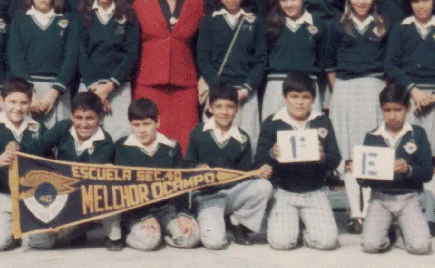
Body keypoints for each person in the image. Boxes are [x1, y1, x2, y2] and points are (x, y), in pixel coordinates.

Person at [384, 0, 435, 232]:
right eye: (416, 1)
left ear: (434, 1)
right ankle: (404, 211)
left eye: (425, 0)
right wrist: (413, 91)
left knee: (434, 156)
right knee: (407, 153)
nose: (421, 6)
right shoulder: (401, 28)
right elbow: (391, 64)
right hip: (410, 98)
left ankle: (429, 213)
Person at [323, 0, 388, 233]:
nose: (361, 1)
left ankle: (371, 211)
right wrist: (339, 92)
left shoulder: (382, 25)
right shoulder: (337, 26)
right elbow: (329, 64)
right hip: (345, 89)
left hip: (374, 89)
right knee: (350, 153)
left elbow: (388, 65)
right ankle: (355, 213)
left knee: (371, 152)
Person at [21, 92, 119, 250]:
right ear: (72, 116)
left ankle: (104, 232)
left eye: (90, 118)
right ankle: (80, 228)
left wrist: (62, 218)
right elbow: (37, 147)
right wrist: (17, 148)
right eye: (78, 117)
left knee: (107, 174)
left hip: (86, 197)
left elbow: (85, 181)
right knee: (39, 240)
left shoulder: (105, 143)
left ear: (100, 118)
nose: (84, 124)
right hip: (62, 192)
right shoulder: (63, 127)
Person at [256, 73, 341, 250]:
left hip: (314, 190)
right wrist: (272, 153)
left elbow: (335, 158)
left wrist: (322, 157)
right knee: (282, 243)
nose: (300, 102)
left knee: (327, 241)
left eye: (305, 97)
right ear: (284, 97)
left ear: (313, 99)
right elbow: (259, 160)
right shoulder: (272, 122)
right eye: (294, 96)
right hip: (284, 191)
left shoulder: (322, 121)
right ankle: (292, 227)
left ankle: (305, 230)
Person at [186, 84, 273, 249]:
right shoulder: (198, 133)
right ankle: (212, 219)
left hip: (232, 194)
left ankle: (239, 222)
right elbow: (188, 164)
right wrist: (198, 168)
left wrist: (259, 172)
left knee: (264, 186)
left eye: (230, 107)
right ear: (210, 108)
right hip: (207, 197)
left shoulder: (242, 138)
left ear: (238, 108)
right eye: (218, 107)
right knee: (215, 242)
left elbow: (245, 173)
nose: (224, 112)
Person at [132, 0, 204, 148]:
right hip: (149, 82)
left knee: (185, 142)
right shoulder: (140, 1)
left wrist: (203, 78)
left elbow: (202, 46)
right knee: (149, 142)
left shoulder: (197, 3)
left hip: (184, 85)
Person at [113, 98, 200, 251]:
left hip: (167, 207)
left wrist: (182, 213)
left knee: (190, 237)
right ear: (130, 124)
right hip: (135, 209)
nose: (141, 130)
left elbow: (181, 183)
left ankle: (164, 233)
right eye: (136, 125)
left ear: (157, 122)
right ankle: (128, 232)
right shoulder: (122, 146)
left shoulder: (171, 146)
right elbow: (123, 187)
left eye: (147, 124)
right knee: (148, 242)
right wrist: (144, 215)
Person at [359, 83, 434, 255]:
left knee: (421, 246)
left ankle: (402, 233)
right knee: (370, 245)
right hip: (380, 197)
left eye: (398, 110)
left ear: (408, 108)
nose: (392, 115)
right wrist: (360, 171)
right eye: (387, 110)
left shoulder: (417, 134)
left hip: (408, 197)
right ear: (381, 110)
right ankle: (389, 235)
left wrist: (408, 169)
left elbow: (427, 173)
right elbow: (363, 182)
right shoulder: (372, 136)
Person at [0, 78, 47, 252]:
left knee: (42, 242)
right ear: (1, 101)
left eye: (24, 103)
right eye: (12, 102)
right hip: (1, 193)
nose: (18, 108)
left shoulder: (38, 127)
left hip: (31, 194)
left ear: (30, 103)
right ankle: (13, 227)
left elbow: (48, 162)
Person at [197, 0, 265, 150]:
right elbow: (203, 58)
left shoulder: (254, 22)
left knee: (246, 141)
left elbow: (260, 61)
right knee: (215, 142)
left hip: (244, 94)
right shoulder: (210, 21)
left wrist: (246, 90)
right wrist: (218, 88)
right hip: (218, 92)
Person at [7, 0, 78, 127]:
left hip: (58, 90)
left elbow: (71, 57)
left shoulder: (67, 20)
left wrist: (54, 92)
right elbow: (16, 58)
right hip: (28, 92)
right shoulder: (20, 21)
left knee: (58, 136)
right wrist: (29, 92)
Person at [76, 0, 139, 138]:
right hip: (90, 86)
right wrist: (96, 90)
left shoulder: (128, 16)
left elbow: (131, 54)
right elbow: (81, 54)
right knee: (86, 134)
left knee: (118, 134)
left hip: (118, 87)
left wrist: (109, 87)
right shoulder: (82, 16)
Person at [262, 0, 326, 120]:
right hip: (277, 86)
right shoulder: (270, 25)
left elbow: (322, 59)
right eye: (284, 0)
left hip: (307, 87)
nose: (289, 4)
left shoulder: (317, 24)